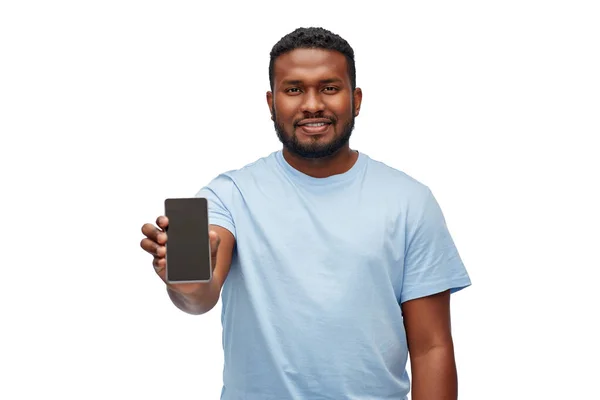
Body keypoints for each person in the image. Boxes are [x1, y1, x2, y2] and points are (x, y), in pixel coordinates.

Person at [140, 27, 471, 400]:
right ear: (271, 103)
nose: (312, 104)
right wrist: (184, 281)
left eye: (329, 87)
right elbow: (198, 296)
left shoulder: (409, 201)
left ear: (356, 99)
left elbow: (431, 348)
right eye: (294, 89)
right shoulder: (229, 195)